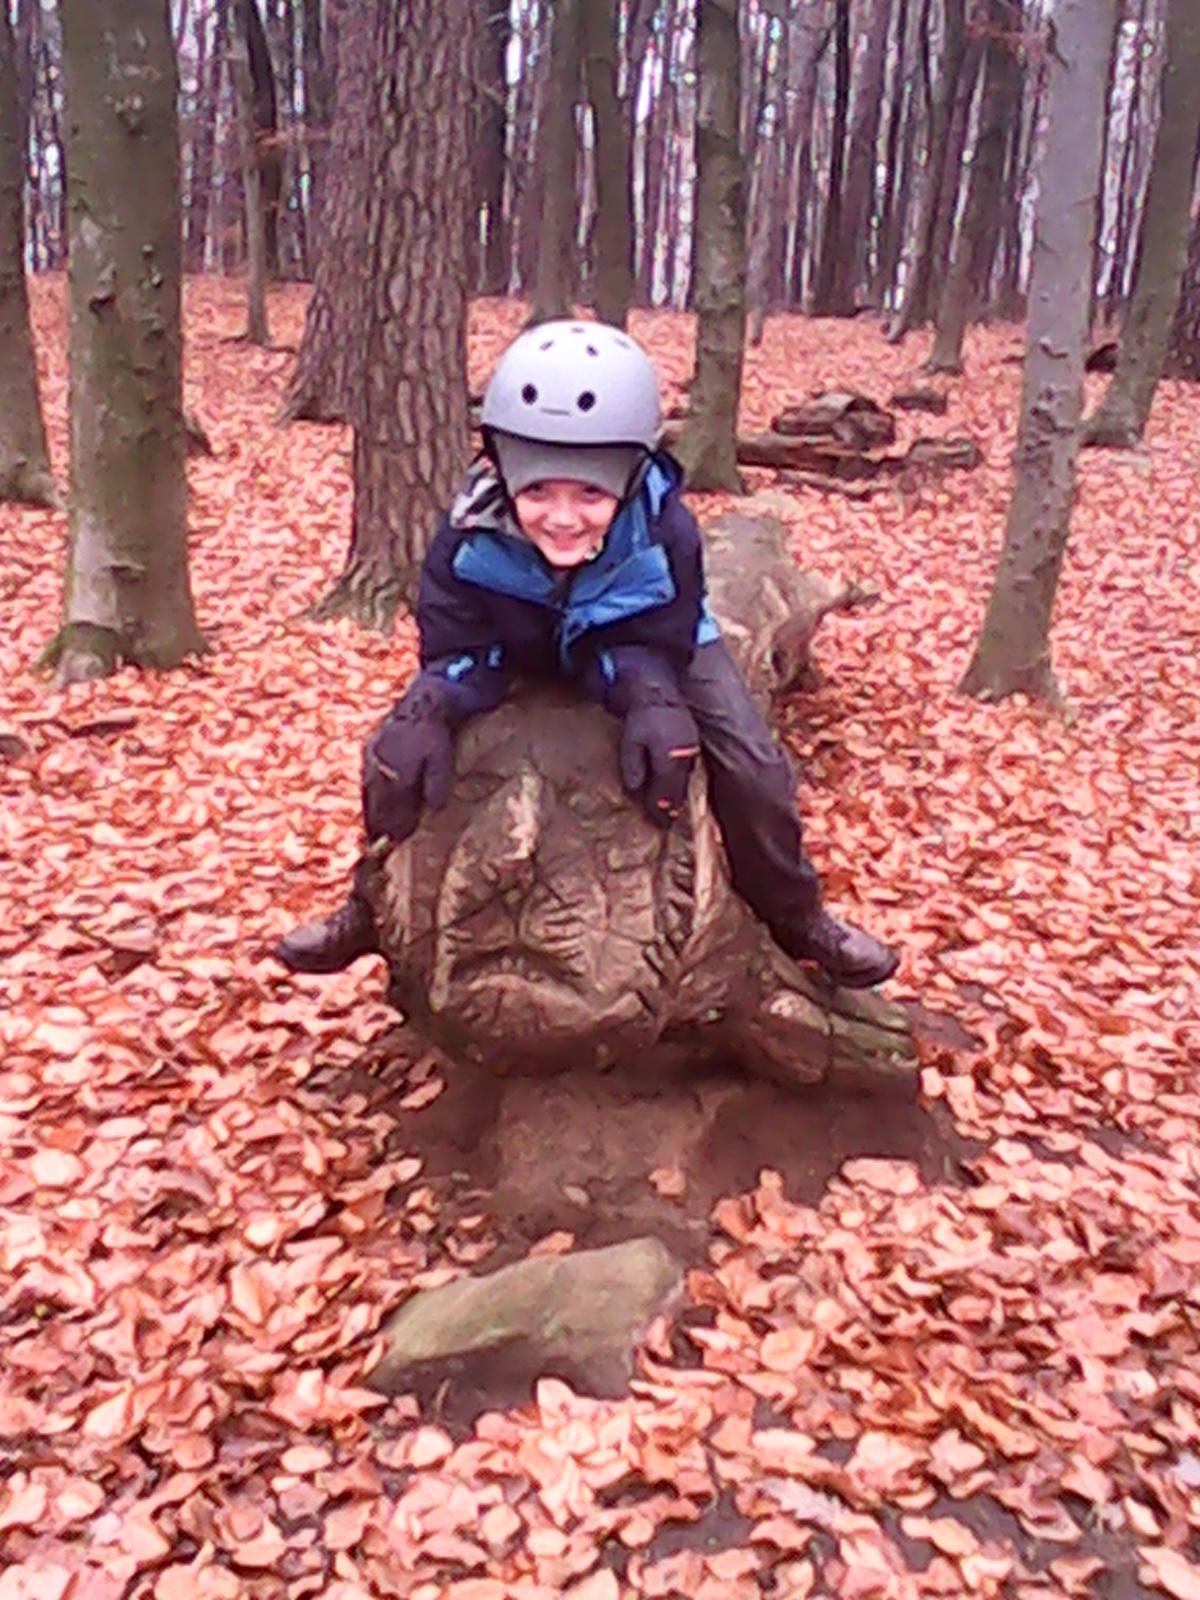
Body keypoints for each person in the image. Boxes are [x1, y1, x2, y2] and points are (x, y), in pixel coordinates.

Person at [277, 321, 898, 989]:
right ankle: (371, 903)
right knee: (396, 752)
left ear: (629, 482)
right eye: (538, 491)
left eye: (590, 495)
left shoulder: (667, 533)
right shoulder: (464, 540)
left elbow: (660, 633)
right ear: (500, 470)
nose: (563, 517)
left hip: (649, 644)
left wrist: (648, 694)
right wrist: (436, 700)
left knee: (751, 764)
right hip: (515, 644)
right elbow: (459, 647)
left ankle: (794, 911)